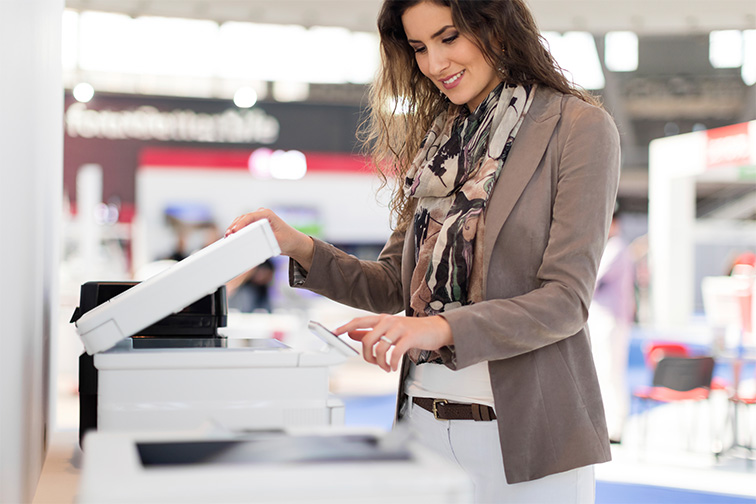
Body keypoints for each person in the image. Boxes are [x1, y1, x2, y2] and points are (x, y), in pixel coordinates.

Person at [226, 0, 620, 501]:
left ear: (496, 26)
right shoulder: (439, 144)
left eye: (448, 37)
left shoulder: (578, 128)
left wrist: (438, 327)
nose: (434, 64)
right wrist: (296, 245)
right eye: (418, 48)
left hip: (526, 443)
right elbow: (393, 284)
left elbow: (566, 301)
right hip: (421, 428)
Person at [589, 210, 636, 444]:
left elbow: (591, 279)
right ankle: (612, 425)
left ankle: (614, 426)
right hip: (610, 319)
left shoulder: (615, 247)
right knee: (607, 372)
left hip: (610, 320)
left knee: (609, 373)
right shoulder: (616, 247)